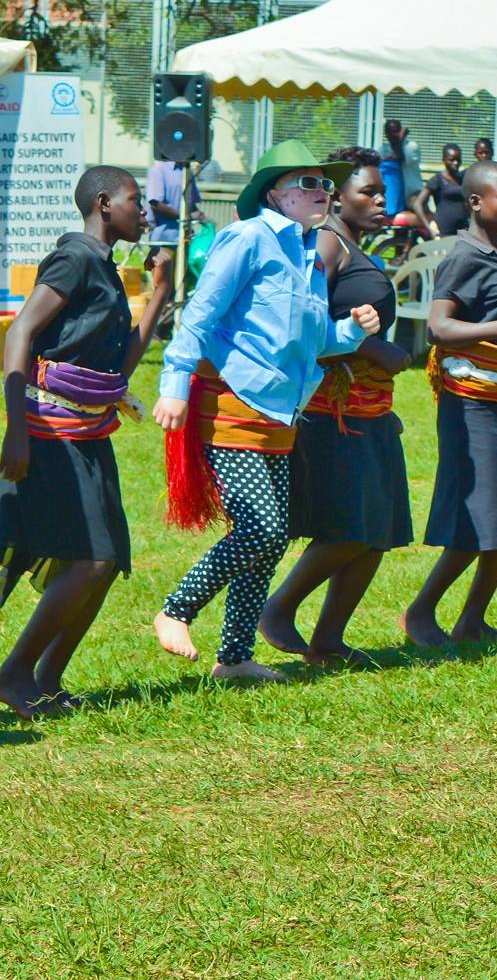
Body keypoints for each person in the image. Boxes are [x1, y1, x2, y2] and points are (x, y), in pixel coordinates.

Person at [152, 142, 379, 681]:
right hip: (234, 405)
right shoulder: (248, 237)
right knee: (262, 527)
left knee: (270, 540)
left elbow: (316, 338)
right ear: (275, 193)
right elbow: (201, 312)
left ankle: (233, 659)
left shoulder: (309, 253)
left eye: (325, 184)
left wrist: (352, 330)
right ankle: (175, 610)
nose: (321, 191)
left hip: (282, 414)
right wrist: (175, 383)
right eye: (307, 183)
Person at [0, 167, 171, 715]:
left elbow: (116, 367)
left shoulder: (107, 268)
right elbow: (20, 331)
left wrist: (159, 295)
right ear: (103, 203)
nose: (144, 213)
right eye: (135, 201)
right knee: (90, 559)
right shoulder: (76, 258)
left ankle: (47, 676)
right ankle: (14, 675)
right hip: (50, 429)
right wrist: (15, 426)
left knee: (108, 559)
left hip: (90, 430)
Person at [259, 148, 413, 662]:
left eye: (382, 191)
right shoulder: (327, 243)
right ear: (338, 197)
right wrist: (376, 347)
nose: (379, 200)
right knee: (349, 528)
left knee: (377, 532)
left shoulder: (355, 247)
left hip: (371, 409)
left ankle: (328, 641)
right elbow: (306, 317)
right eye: (367, 191)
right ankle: (278, 609)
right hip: (333, 410)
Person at [403, 160, 497, 647]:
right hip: (471, 407)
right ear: (474, 202)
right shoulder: (464, 257)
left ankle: (473, 618)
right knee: (480, 517)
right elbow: (439, 328)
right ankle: (421, 613)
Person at [144, 156, 197, 248]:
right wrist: (184, 216)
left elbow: (192, 205)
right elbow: (155, 205)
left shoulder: (187, 171)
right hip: (163, 237)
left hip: (185, 236)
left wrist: (205, 219)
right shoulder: (159, 169)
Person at [418, 144, 468, 238]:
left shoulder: (462, 178)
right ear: (443, 160)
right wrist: (429, 228)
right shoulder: (437, 180)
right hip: (444, 232)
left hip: (463, 231)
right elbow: (418, 204)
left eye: (458, 159)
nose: (456, 163)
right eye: (451, 160)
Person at [378, 119, 419, 214]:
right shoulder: (383, 149)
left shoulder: (411, 147)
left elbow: (400, 158)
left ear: (401, 131)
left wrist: (400, 139)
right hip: (392, 196)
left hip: (411, 194)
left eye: (396, 131)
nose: (393, 135)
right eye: (389, 132)